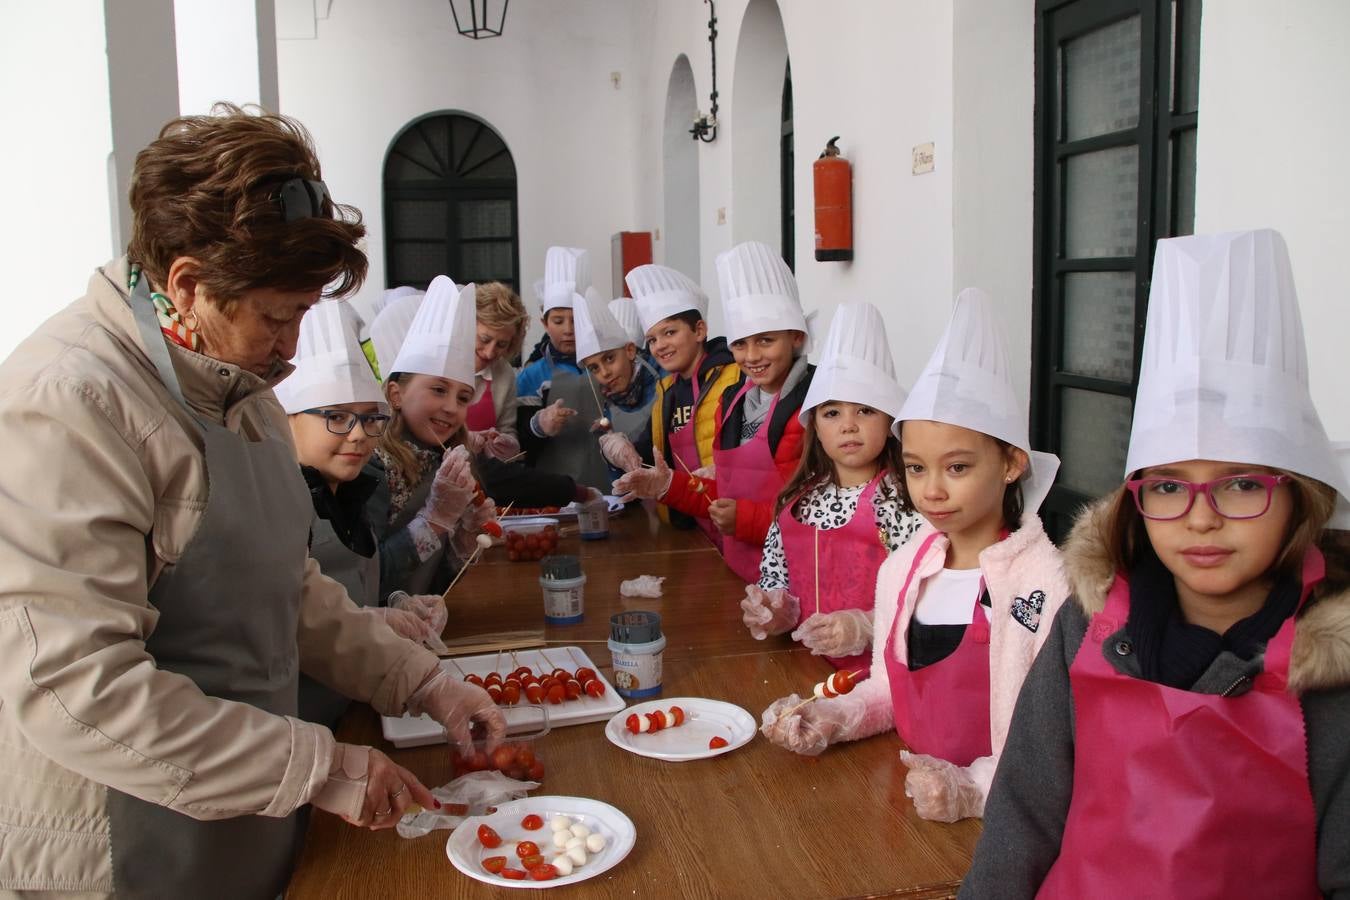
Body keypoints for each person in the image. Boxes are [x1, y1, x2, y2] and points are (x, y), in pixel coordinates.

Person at [0, 106, 504, 898]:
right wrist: (319, 767)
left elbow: (287, 585)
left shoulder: (239, 388)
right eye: (278, 316)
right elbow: (77, 688)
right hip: (126, 847)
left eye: (303, 314)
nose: (292, 347)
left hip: (247, 820)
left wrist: (421, 681)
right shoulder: (71, 404)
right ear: (187, 286)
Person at [962, 230, 1350, 897]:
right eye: (1168, 486)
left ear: (1299, 498)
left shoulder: (1333, 677)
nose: (1201, 518)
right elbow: (1024, 815)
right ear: (1135, 501)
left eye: (1242, 484)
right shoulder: (1084, 627)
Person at [761, 288, 1067, 826]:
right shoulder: (905, 569)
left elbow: (1054, 737)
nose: (932, 491)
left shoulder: (1045, 583)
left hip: (1009, 819)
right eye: (918, 468)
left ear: (1012, 464)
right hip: (904, 795)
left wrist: (973, 789)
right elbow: (888, 690)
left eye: (957, 468)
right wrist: (832, 716)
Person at [275, 300, 449, 728]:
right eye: (336, 416)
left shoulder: (357, 489)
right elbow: (271, 624)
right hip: (300, 726)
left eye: (370, 419)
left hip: (358, 712)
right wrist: (372, 620)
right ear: (286, 418)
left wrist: (397, 605)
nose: (358, 435)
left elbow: (356, 588)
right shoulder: (276, 503)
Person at [612, 242, 812, 581]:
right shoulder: (733, 402)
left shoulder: (817, 406)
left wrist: (744, 519)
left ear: (795, 336)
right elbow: (726, 497)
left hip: (798, 578)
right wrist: (668, 486)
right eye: (740, 343)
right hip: (739, 569)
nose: (752, 356)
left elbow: (823, 513)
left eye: (765, 340)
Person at [741, 302, 923, 669]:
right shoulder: (797, 503)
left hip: (883, 676)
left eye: (866, 410)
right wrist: (774, 610)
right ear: (815, 426)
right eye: (832, 413)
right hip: (806, 666)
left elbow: (925, 597)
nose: (848, 425)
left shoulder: (907, 502)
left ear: (890, 422)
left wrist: (867, 625)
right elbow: (776, 577)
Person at [366, 275, 499, 598]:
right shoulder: (370, 468)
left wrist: (463, 542)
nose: (451, 407)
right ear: (396, 395)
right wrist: (435, 521)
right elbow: (366, 578)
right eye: (438, 389)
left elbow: (431, 584)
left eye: (463, 398)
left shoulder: (446, 462)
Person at [601, 263, 739, 533]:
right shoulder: (667, 393)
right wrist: (619, 450)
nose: (660, 346)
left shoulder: (734, 377)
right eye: (652, 339)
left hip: (729, 521)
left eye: (669, 332)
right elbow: (647, 457)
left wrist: (725, 470)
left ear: (699, 331)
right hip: (686, 527)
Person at [516, 246, 609, 488]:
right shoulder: (531, 376)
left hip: (611, 484)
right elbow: (519, 442)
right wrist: (539, 426)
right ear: (545, 323)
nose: (568, 330)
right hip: (553, 489)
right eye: (558, 321)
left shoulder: (607, 366)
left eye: (576, 320)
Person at [572, 287, 659, 480]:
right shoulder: (606, 404)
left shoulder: (665, 380)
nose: (605, 373)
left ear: (630, 351)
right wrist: (609, 455)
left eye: (609, 358)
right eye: (594, 368)